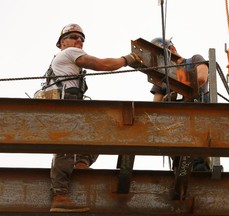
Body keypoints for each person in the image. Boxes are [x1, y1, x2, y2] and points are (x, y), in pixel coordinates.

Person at [44, 23, 139, 213]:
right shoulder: (68, 53)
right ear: (63, 43)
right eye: (73, 37)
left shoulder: (66, 60)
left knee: (100, 129)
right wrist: (128, 59)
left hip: (72, 107)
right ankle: (59, 195)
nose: (79, 40)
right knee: (66, 147)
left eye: (81, 38)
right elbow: (103, 65)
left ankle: (81, 163)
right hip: (65, 108)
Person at [149, 37, 211, 172]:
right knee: (179, 167)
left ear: (171, 49)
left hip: (197, 121)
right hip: (174, 128)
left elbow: (200, 78)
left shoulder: (194, 60)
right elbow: (155, 108)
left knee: (198, 165)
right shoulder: (162, 76)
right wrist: (165, 101)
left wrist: (178, 86)